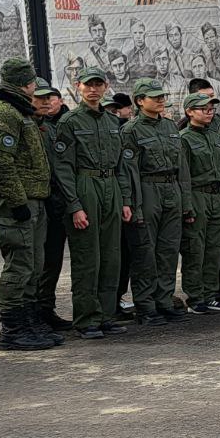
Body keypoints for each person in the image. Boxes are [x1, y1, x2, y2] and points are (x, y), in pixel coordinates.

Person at [0, 58, 58, 352]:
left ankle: (28, 321)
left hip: (32, 199)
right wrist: (17, 201)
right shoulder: (3, 115)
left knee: (33, 265)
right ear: (26, 84)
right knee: (20, 265)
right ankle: (13, 328)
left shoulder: (18, 112)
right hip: (16, 201)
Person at [53, 66, 134, 337]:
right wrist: (74, 205)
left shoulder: (113, 122)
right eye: (88, 85)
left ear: (106, 86)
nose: (93, 89)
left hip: (110, 184)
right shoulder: (70, 122)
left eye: (98, 84)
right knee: (88, 257)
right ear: (78, 87)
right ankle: (87, 318)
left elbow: (121, 165)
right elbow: (63, 168)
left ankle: (107, 315)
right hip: (85, 185)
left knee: (112, 256)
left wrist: (124, 200)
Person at [122, 78, 192, 324]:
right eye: (155, 97)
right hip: (147, 188)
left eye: (162, 96)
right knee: (145, 252)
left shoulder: (171, 127)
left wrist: (186, 203)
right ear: (140, 101)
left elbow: (181, 167)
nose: (161, 100)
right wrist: (133, 204)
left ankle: (164, 300)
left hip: (171, 188)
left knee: (169, 250)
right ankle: (146, 305)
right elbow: (128, 172)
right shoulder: (131, 131)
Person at [180, 93, 220, 315]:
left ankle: (211, 294)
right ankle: (195, 296)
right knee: (195, 249)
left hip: (217, 196)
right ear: (189, 112)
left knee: (215, 248)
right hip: (197, 195)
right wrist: (187, 206)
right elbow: (182, 175)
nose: (209, 112)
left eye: (211, 109)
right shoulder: (183, 139)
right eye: (203, 109)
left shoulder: (216, 137)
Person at [32, 79, 71, 331]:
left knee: (53, 259)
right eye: (40, 98)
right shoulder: (25, 125)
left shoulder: (49, 127)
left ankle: (45, 308)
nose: (46, 102)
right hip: (34, 203)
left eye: (49, 97)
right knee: (33, 261)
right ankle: (28, 312)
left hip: (54, 203)